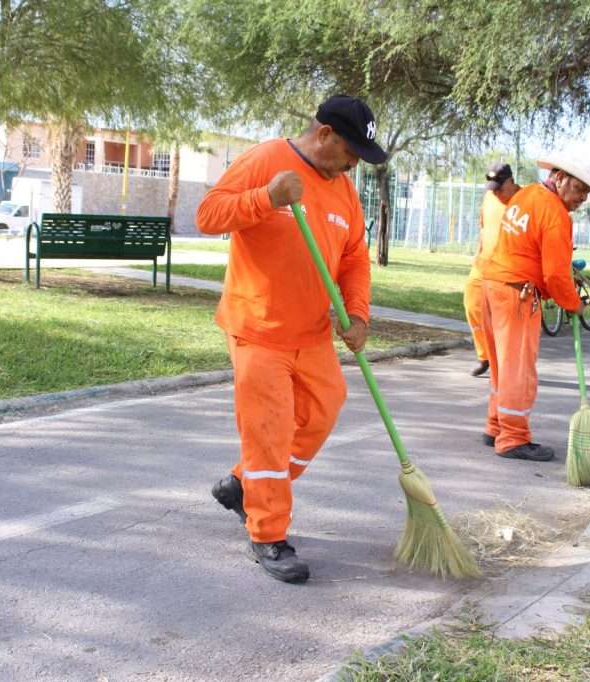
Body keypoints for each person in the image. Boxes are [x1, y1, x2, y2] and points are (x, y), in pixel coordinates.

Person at [195, 95, 387, 584]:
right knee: (269, 431)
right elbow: (209, 215)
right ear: (325, 134)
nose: (352, 165)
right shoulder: (265, 160)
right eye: (350, 153)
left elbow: (354, 259)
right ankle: (267, 533)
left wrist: (358, 313)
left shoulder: (343, 190)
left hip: (312, 332)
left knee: (323, 410)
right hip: (259, 328)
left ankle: (244, 486)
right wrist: (267, 198)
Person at [479, 152, 590, 461]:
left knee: (502, 365)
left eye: (586, 192)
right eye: (578, 189)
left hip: (492, 284)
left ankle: (496, 426)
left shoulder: (528, 194)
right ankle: (513, 437)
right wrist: (574, 304)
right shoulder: (556, 215)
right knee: (518, 369)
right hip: (517, 294)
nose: (582, 198)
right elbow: (556, 275)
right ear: (559, 177)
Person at [463, 163, 520, 377]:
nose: (495, 191)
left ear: (511, 181)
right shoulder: (489, 198)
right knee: (472, 304)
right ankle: (484, 355)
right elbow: (484, 227)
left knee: (504, 319)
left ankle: (505, 362)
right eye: (492, 186)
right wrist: (478, 253)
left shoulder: (523, 201)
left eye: (499, 186)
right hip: (483, 264)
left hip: (508, 270)